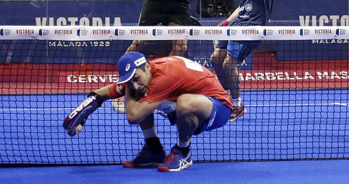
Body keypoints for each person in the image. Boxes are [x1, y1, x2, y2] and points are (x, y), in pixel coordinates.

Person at [65, 52, 232, 172]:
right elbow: (100, 94)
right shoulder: (145, 72)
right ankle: (154, 149)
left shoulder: (165, 77)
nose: (135, 85)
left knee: (180, 102)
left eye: (136, 79)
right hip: (196, 101)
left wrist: (127, 89)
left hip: (218, 108)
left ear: (146, 67)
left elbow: (133, 116)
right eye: (129, 81)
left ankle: (183, 152)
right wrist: (81, 119)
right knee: (143, 94)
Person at [210, 0, 276, 121]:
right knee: (216, 59)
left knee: (228, 64)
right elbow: (243, 6)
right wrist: (226, 22)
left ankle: (237, 104)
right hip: (237, 24)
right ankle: (225, 97)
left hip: (252, 25)